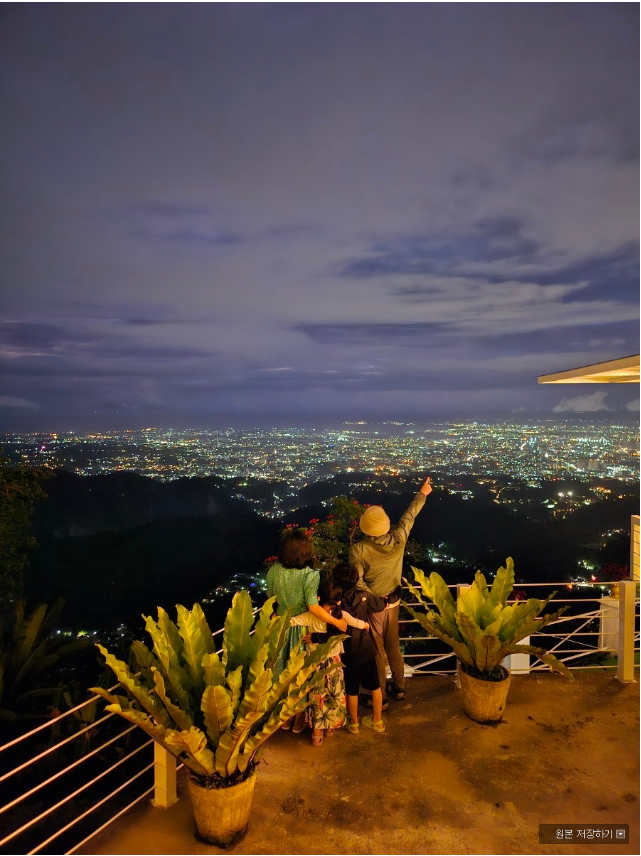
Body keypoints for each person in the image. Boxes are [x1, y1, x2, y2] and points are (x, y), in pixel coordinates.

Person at [349, 475, 433, 704]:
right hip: (394, 602)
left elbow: (357, 581)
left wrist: (373, 599)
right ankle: (400, 687)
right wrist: (422, 493)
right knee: (393, 647)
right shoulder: (398, 539)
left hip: (374, 607)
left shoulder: (359, 550)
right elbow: (408, 516)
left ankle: (380, 697)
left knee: (377, 651)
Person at [266, 529, 347, 732]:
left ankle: (283, 718)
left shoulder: (274, 570)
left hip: (280, 627)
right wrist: (336, 623)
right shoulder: (310, 575)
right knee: (301, 676)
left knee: (281, 673)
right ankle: (299, 719)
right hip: (302, 629)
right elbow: (313, 607)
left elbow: (271, 597)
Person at [290, 578, 367, 746]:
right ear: (338, 601)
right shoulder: (340, 615)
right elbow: (355, 623)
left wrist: (275, 616)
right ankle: (330, 727)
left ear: (318, 598)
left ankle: (317, 733)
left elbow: (293, 621)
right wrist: (366, 625)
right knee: (334, 694)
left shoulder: (311, 615)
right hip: (334, 662)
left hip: (315, 663)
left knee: (318, 696)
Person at [333, 562, 387, 734]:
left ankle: (354, 723)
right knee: (375, 686)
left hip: (346, 650)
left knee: (352, 689)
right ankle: (377, 721)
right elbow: (380, 605)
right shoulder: (364, 595)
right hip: (365, 648)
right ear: (356, 579)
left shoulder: (335, 601)